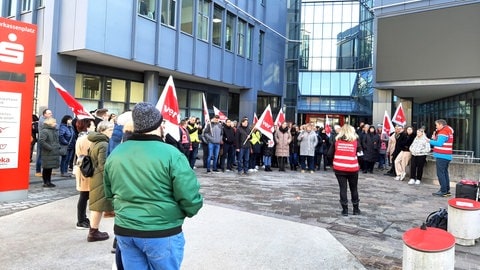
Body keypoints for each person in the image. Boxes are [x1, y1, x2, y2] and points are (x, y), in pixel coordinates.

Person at [104, 102, 203, 269]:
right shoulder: (172, 154)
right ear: (159, 125)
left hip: (126, 230)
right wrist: (185, 212)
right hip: (161, 231)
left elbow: (109, 193)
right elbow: (189, 196)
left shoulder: (116, 153)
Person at [86, 120, 115, 242]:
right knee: (98, 206)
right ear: (102, 131)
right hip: (101, 178)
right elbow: (104, 164)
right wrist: (110, 179)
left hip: (95, 176)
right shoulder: (104, 144)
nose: (112, 132)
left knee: (97, 205)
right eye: (109, 130)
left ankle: (93, 231)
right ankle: (93, 232)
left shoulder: (95, 141)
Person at [327, 124, 362, 216]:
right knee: (354, 188)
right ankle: (356, 209)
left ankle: (345, 210)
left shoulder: (336, 142)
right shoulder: (355, 142)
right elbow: (361, 155)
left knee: (343, 188)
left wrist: (333, 162)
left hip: (339, 168)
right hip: (352, 168)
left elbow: (329, 154)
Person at [74, 118, 96, 229]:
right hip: (86, 168)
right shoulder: (87, 138)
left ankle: (82, 218)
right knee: (84, 195)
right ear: (87, 126)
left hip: (83, 167)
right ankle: (81, 220)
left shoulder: (81, 137)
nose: (94, 127)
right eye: (92, 125)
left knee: (84, 195)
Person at [427, 119, 454, 197]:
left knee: (440, 174)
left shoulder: (443, 132)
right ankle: (447, 190)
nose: (436, 126)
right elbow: (441, 141)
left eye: (436, 125)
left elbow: (439, 143)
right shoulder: (448, 131)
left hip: (442, 155)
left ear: (441, 125)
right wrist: (434, 138)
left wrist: (429, 140)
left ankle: (443, 190)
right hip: (446, 155)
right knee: (444, 173)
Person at [38, 117, 60, 187]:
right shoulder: (45, 131)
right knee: (46, 168)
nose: (55, 124)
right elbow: (41, 141)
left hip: (53, 152)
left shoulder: (54, 130)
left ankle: (49, 181)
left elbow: (56, 140)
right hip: (47, 152)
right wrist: (50, 148)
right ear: (50, 123)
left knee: (50, 168)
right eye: (54, 122)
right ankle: (45, 182)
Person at [35, 108, 53, 176]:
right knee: (40, 156)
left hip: (48, 140)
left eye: (51, 113)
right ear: (44, 114)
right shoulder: (42, 121)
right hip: (42, 141)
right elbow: (52, 127)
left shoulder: (48, 119)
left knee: (47, 156)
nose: (51, 114)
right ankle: (38, 171)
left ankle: (47, 170)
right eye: (49, 113)